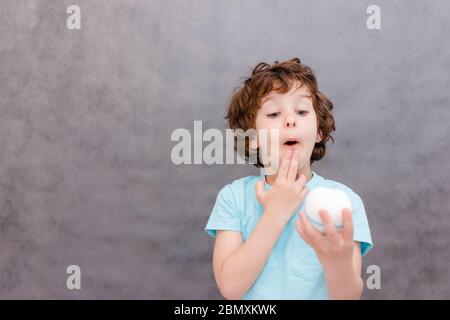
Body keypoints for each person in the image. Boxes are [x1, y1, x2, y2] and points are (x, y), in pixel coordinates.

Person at [204, 58, 373, 299]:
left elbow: (348, 296)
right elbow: (231, 288)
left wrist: (338, 263)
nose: (290, 120)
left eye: (302, 111)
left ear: (318, 131)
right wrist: (275, 214)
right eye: (274, 113)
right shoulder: (233, 197)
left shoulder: (345, 201)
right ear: (251, 137)